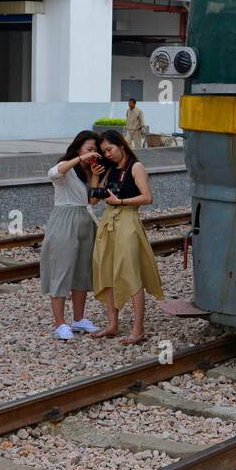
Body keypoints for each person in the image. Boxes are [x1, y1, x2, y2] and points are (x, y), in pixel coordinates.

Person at [89, 129, 163, 344]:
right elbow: (94, 201)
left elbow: (147, 197)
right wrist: (95, 175)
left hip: (128, 221)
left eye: (110, 149)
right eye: (104, 152)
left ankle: (138, 329)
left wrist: (121, 202)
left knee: (130, 272)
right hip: (108, 222)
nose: (108, 154)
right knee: (106, 271)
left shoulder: (136, 166)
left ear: (121, 145)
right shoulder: (109, 170)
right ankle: (113, 324)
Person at [41, 130, 103, 341]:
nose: (93, 153)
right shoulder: (66, 169)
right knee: (61, 270)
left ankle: (78, 319)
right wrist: (80, 158)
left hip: (85, 220)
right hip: (64, 220)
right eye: (89, 149)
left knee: (82, 272)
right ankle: (59, 323)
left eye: (96, 150)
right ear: (78, 148)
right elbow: (53, 173)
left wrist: (95, 175)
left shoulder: (90, 171)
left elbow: (93, 201)